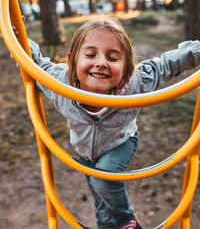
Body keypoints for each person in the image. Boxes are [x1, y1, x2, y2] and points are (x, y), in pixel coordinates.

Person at [12, 16, 200, 229]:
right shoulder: (59, 84)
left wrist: (196, 51)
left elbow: (165, 65)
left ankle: (126, 221)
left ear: (127, 66)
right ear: (72, 59)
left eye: (112, 57)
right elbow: (34, 64)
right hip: (85, 154)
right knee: (102, 203)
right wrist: (17, 38)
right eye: (91, 54)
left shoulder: (135, 83)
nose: (101, 62)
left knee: (104, 180)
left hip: (121, 143)